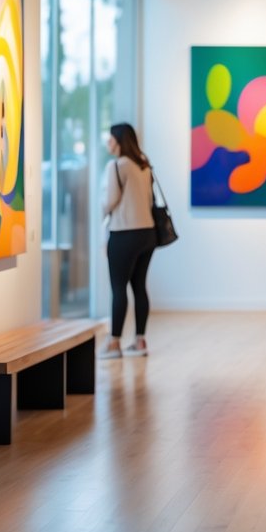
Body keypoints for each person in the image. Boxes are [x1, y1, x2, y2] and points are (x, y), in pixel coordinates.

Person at [99, 123, 157, 360]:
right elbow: (150, 199)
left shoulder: (116, 165)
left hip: (124, 233)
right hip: (148, 233)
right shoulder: (143, 164)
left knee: (118, 287)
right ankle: (140, 340)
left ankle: (114, 344)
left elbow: (110, 200)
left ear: (120, 141)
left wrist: (101, 211)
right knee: (139, 287)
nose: (108, 143)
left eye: (111, 139)